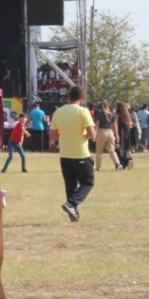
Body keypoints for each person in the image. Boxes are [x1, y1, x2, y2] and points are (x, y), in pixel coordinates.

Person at [49, 85, 96, 222]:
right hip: (80, 153)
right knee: (88, 183)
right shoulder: (83, 111)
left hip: (64, 154)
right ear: (82, 98)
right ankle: (72, 204)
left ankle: (73, 213)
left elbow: (53, 134)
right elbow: (91, 134)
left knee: (70, 185)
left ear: (68, 97)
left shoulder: (58, 112)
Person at [93, 102, 122, 171]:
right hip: (110, 132)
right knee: (112, 150)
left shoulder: (99, 114)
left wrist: (94, 134)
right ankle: (118, 164)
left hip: (101, 132)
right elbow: (115, 125)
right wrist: (117, 134)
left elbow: (97, 125)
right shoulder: (112, 114)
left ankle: (98, 167)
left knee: (99, 151)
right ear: (107, 106)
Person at [115, 102, 135, 169]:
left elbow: (116, 125)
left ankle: (122, 163)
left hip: (120, 133)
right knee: (126, 147)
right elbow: (130, 125)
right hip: (127, 133)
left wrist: (116, 134)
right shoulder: (127, 115)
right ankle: (128, 159)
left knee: (119, 149)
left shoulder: (117, 115)